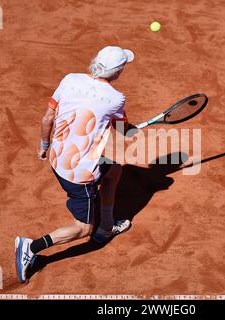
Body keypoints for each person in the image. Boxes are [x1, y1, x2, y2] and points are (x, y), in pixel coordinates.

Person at [15, 46, 135, 283]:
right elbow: (123, 130)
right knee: (83, 229)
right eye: (123, 67)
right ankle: (32, 247)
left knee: (114, 170)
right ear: (117, 72)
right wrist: (132, 130)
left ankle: (107, 226)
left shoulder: (70, 79)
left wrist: (43, 145)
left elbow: (48, 117)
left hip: (57, 158)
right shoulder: (116, 98)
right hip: (80, 174)